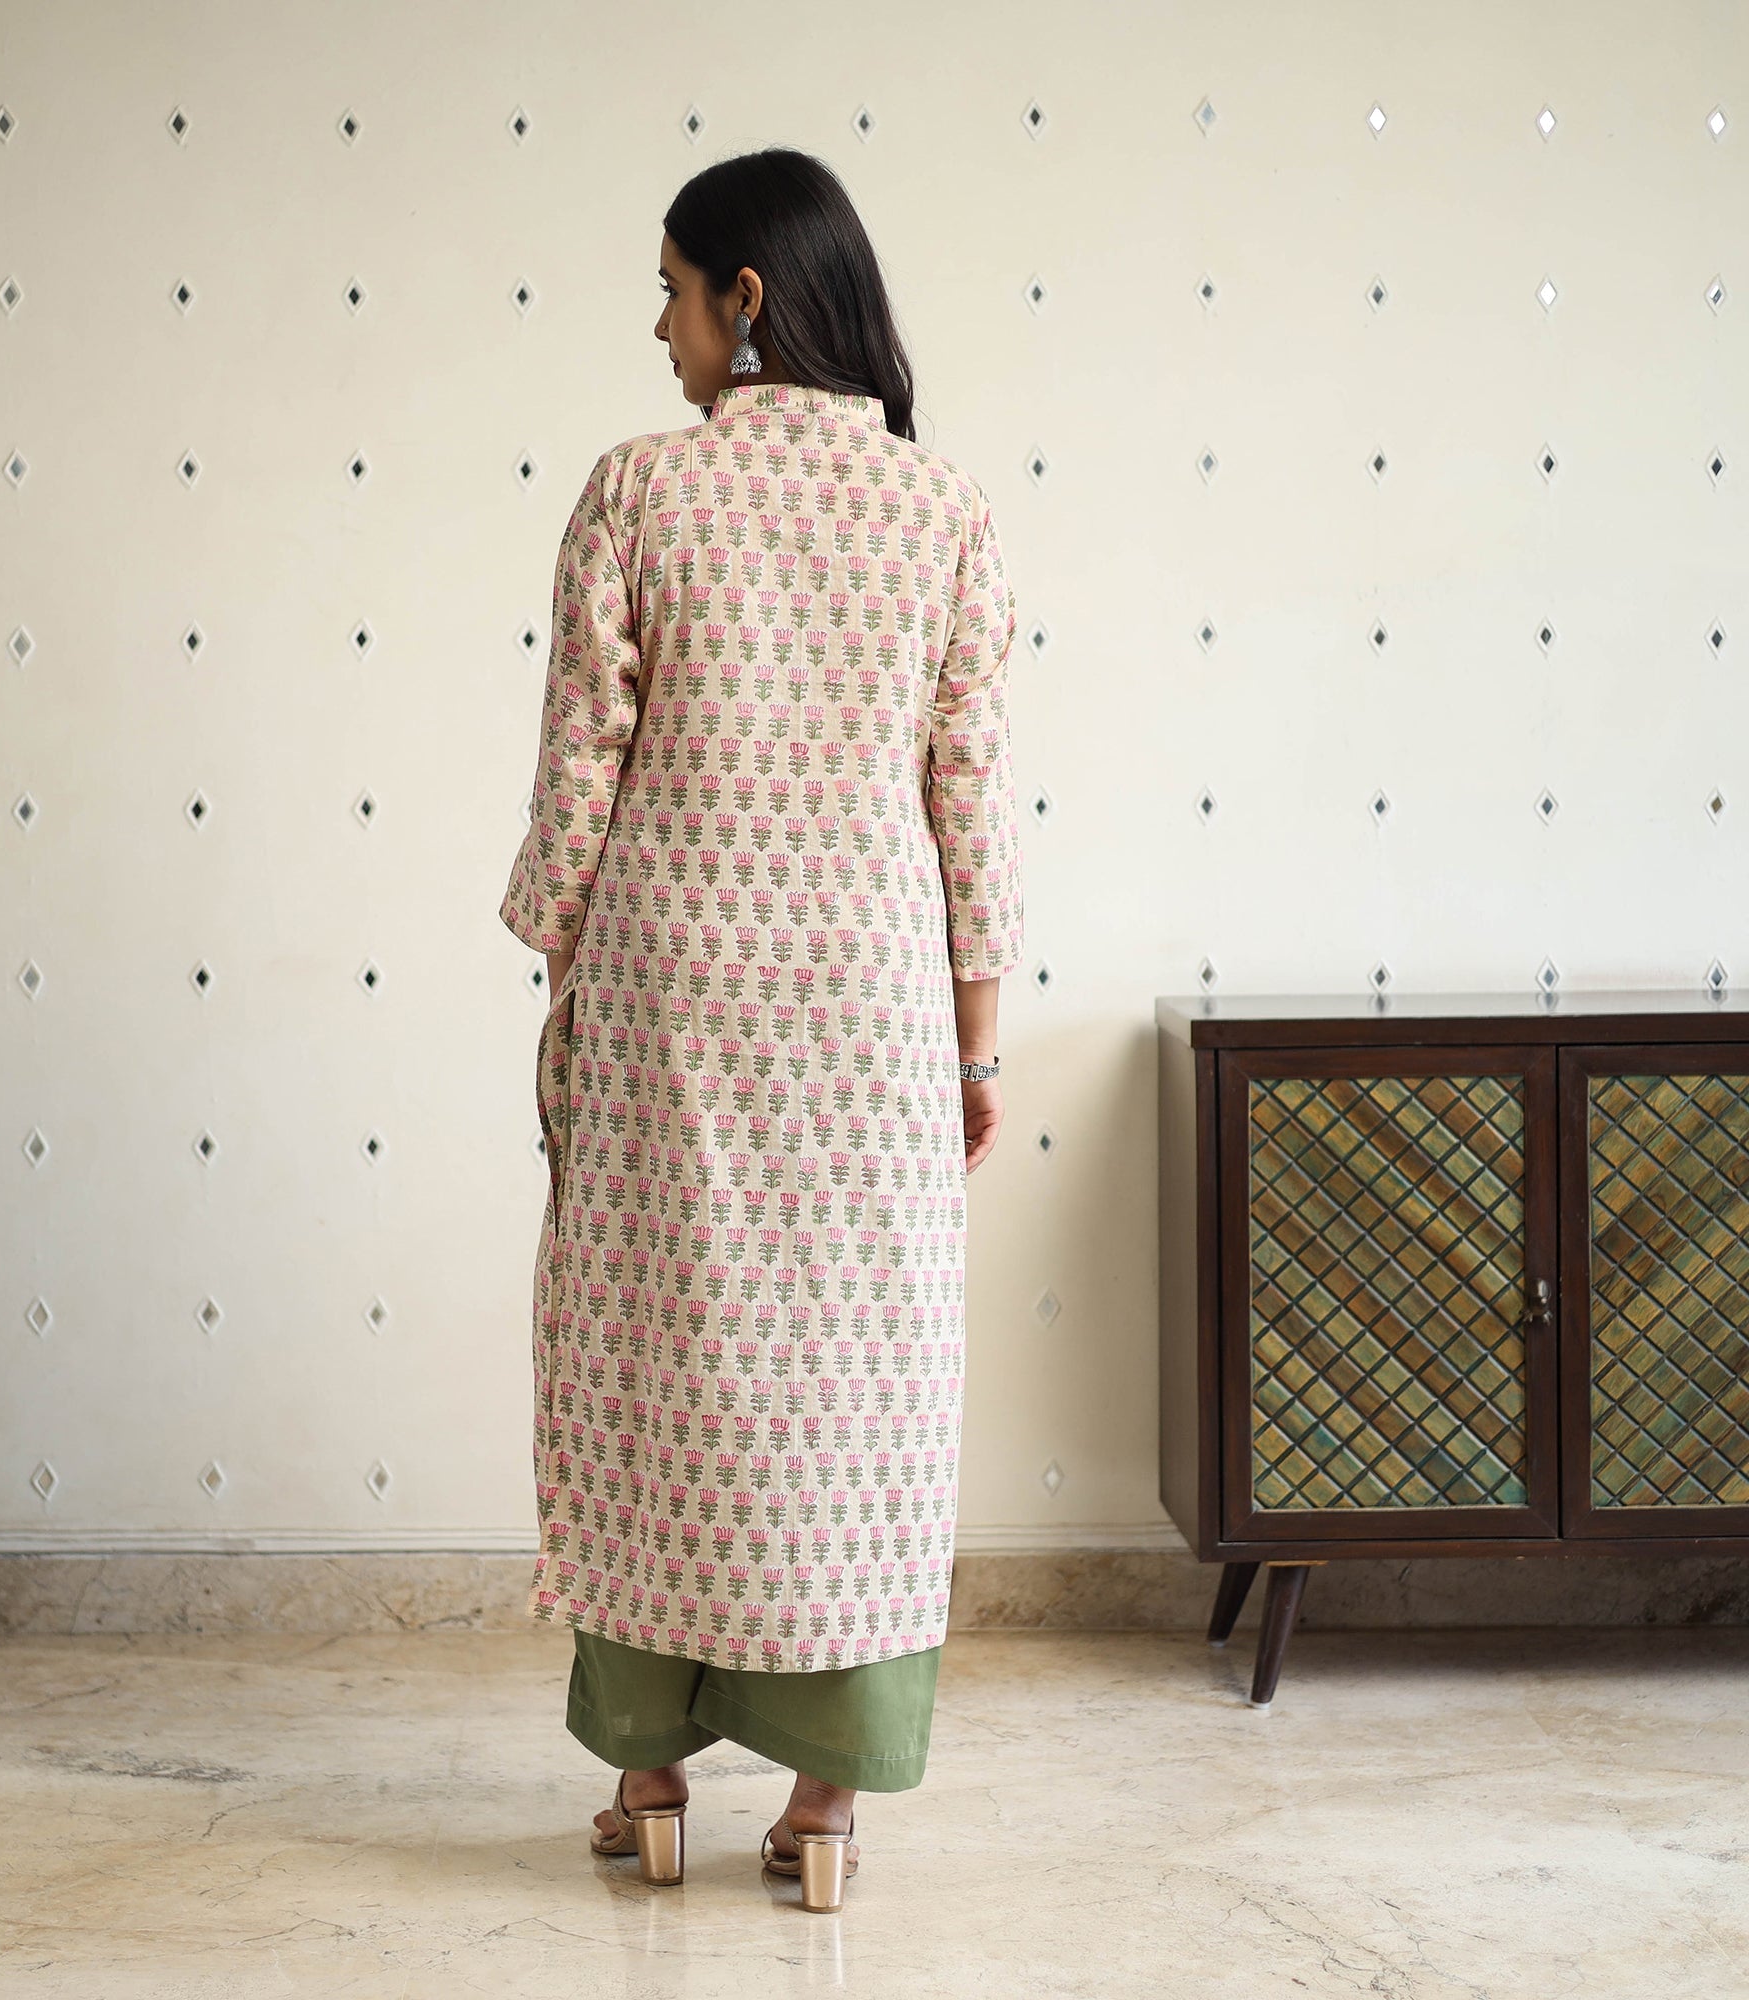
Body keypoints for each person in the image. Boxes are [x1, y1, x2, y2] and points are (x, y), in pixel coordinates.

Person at [499, 145, 1024, 1913]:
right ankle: (825, 1801)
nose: (658, 330)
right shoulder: (943, 510)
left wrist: (558, 966)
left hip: (670, 996)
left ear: (748, 298)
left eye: (670, 292)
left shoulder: (641, 492)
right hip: (869, 1011)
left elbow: (582, 764)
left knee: (652, 1349)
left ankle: (650, 1774)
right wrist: (975, 1044)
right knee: (859, 1379)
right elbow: (971, 800)